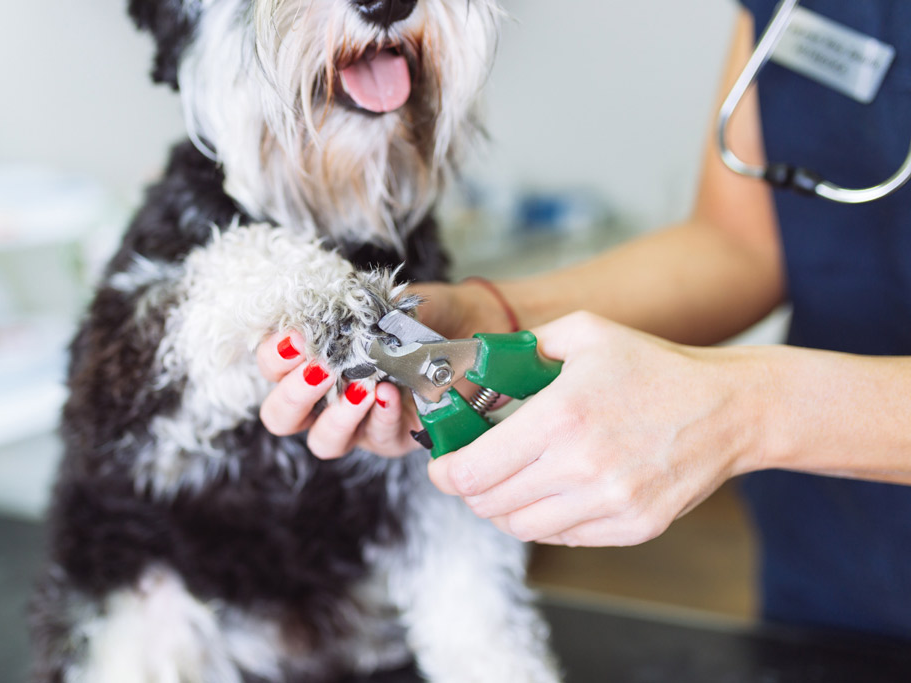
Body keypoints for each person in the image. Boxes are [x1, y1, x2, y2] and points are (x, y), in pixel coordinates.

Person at [256, 0, 911, 640]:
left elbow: (749, 389)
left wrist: (749, 410)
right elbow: (744, 243)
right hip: (837, 577)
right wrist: (487, 317)